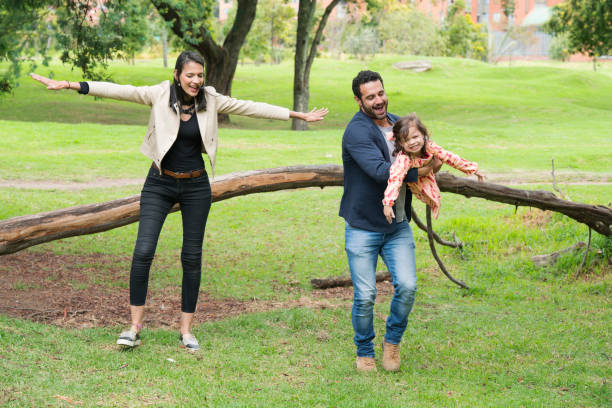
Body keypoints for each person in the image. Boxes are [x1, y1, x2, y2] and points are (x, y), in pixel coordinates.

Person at [31, 50, 328, 352]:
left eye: (200, 75)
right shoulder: (159, 94)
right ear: (177, 75)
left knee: (191, 257)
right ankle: (134, 327)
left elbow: (251, 107)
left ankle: (186, 330)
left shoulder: (210, 99)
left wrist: (297, 115)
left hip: (196, 186)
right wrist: (71, 84)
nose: (196, 81)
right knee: (143, 251)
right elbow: (119, 91)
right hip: (160, 183)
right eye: (190, 75)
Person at [339, 70, 440, 372]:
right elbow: (382, 171)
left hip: (397, 226)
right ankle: (364, 350)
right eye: (370, 97)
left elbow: (423, 151)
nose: (378, 100)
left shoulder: (398, 125)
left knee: (408, 287)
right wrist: (425, 170)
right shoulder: (356, 132)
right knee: (366, 295)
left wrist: (433, 159)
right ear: (359, 100)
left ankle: (392, 342)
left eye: (380, 93)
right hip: (363, 227)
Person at [383, 113, 485, 223]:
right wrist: (388, 203)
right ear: (401, 143)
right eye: (406, 140)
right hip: (413, 182)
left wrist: (472, 168)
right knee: (422, 191)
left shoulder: (429, 146)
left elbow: (449, 157)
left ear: (423, 135)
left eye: (415, 137)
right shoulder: (403, 158)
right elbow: (395, 179)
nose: (412, 142)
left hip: (427, 174)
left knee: (434, 194)